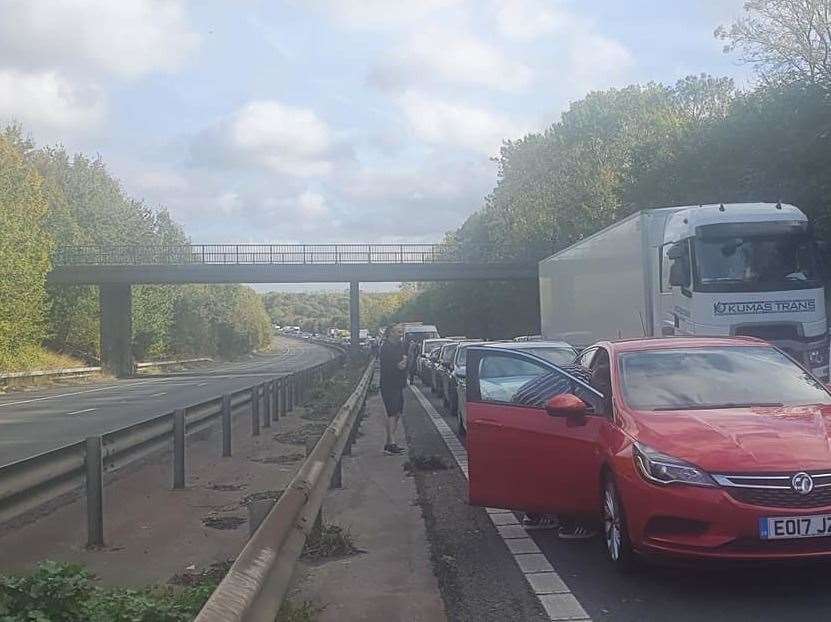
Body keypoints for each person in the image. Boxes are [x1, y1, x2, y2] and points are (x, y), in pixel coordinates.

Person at [514, 362, 599, 539]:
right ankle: (569, 525)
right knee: (562, 471)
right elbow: (591, 407)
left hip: (518, 411)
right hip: (540, 416)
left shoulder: (571, 368)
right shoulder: (585, 380)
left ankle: (535, 516)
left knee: (537, 470)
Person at [379, 324, 408, 455]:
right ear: (391, 332)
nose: (401, 334)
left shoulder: (400, 346)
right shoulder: (386, 348)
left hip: (399, 383)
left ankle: (389, 442)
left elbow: (404, 360)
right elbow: (386, 367)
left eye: (402, 331)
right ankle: (391, 443)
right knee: (392, 412)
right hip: (388, 384)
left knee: (397, 413)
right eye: (398, 332)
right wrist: (399, 366)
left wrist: (405, 363)